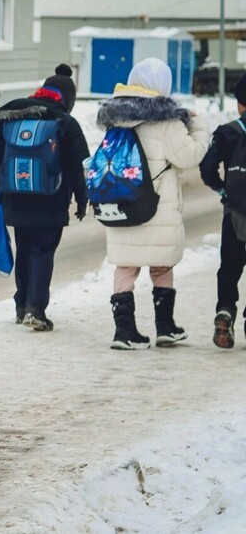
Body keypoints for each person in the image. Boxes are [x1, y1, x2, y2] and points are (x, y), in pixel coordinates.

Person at [96, 57, 210, 349]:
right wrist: (198, 126)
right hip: (157, 208)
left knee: (125, 266)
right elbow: (189, 156)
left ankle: (124, 332)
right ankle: (165, 327)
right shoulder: (167, 120)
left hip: (124, 203)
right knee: (162, 266)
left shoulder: (116, 118)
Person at [0, 64, 90, 331]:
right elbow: (77, 167)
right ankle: (36, 309)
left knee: (24, 250)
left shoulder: (16, 116)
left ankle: (21, 306)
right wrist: (82, 199)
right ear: (68, 98)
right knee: (42, 252)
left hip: (16, 196)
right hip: (51, 199)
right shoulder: (65, 122)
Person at [198, 73, 246, 349]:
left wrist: (222, 189)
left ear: (240, 104)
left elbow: (207, 169)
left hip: (235, 212)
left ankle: (225, 310)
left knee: (229, 266)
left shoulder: (228, 132)